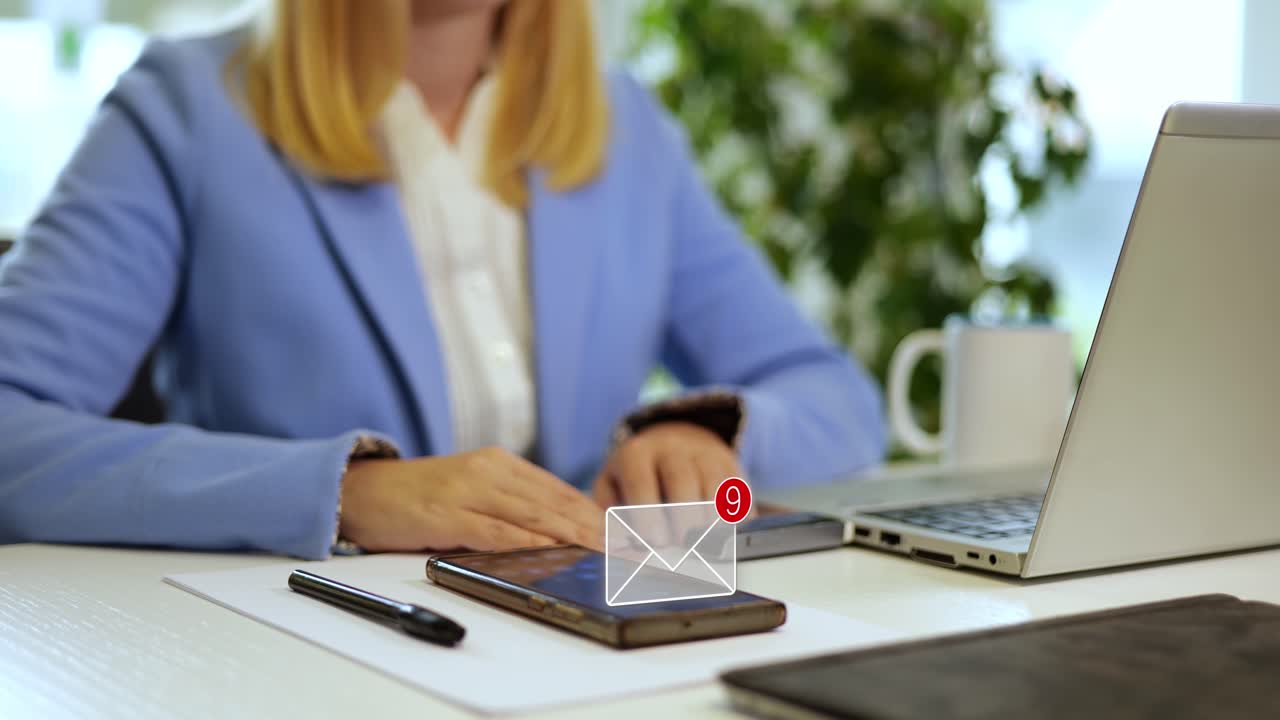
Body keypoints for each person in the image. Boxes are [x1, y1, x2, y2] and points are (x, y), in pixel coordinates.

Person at [0, 0, 885, 560]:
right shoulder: (184, 109)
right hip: (298, 659)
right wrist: (347, 495)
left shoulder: (627, 129)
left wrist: (709, 434)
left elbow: (836, 397)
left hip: (582, 650)